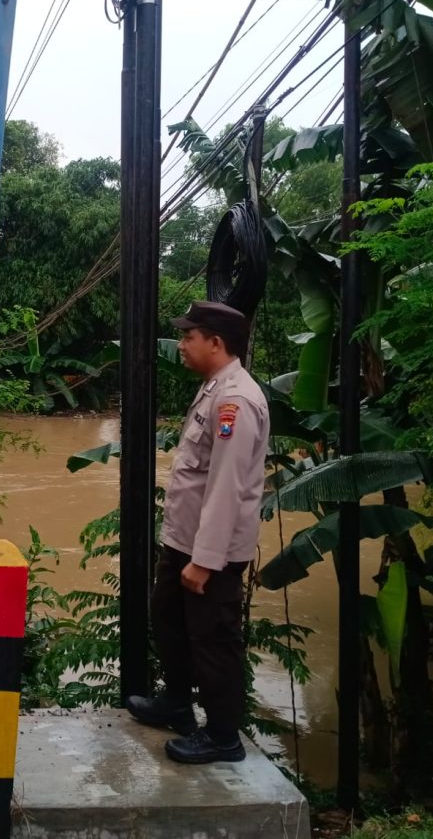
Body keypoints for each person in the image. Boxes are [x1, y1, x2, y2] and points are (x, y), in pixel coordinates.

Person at [126, 301, 270, 764]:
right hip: (184, 541)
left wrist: (204, 561)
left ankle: (223, 736)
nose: (182, 345)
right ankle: (177, 705)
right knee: (167, 619)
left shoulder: (235, 402)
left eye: (190, 337)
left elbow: (226, 487)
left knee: (212, 640)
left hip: (211, 554)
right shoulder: (215, 389)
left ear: (216, 343)